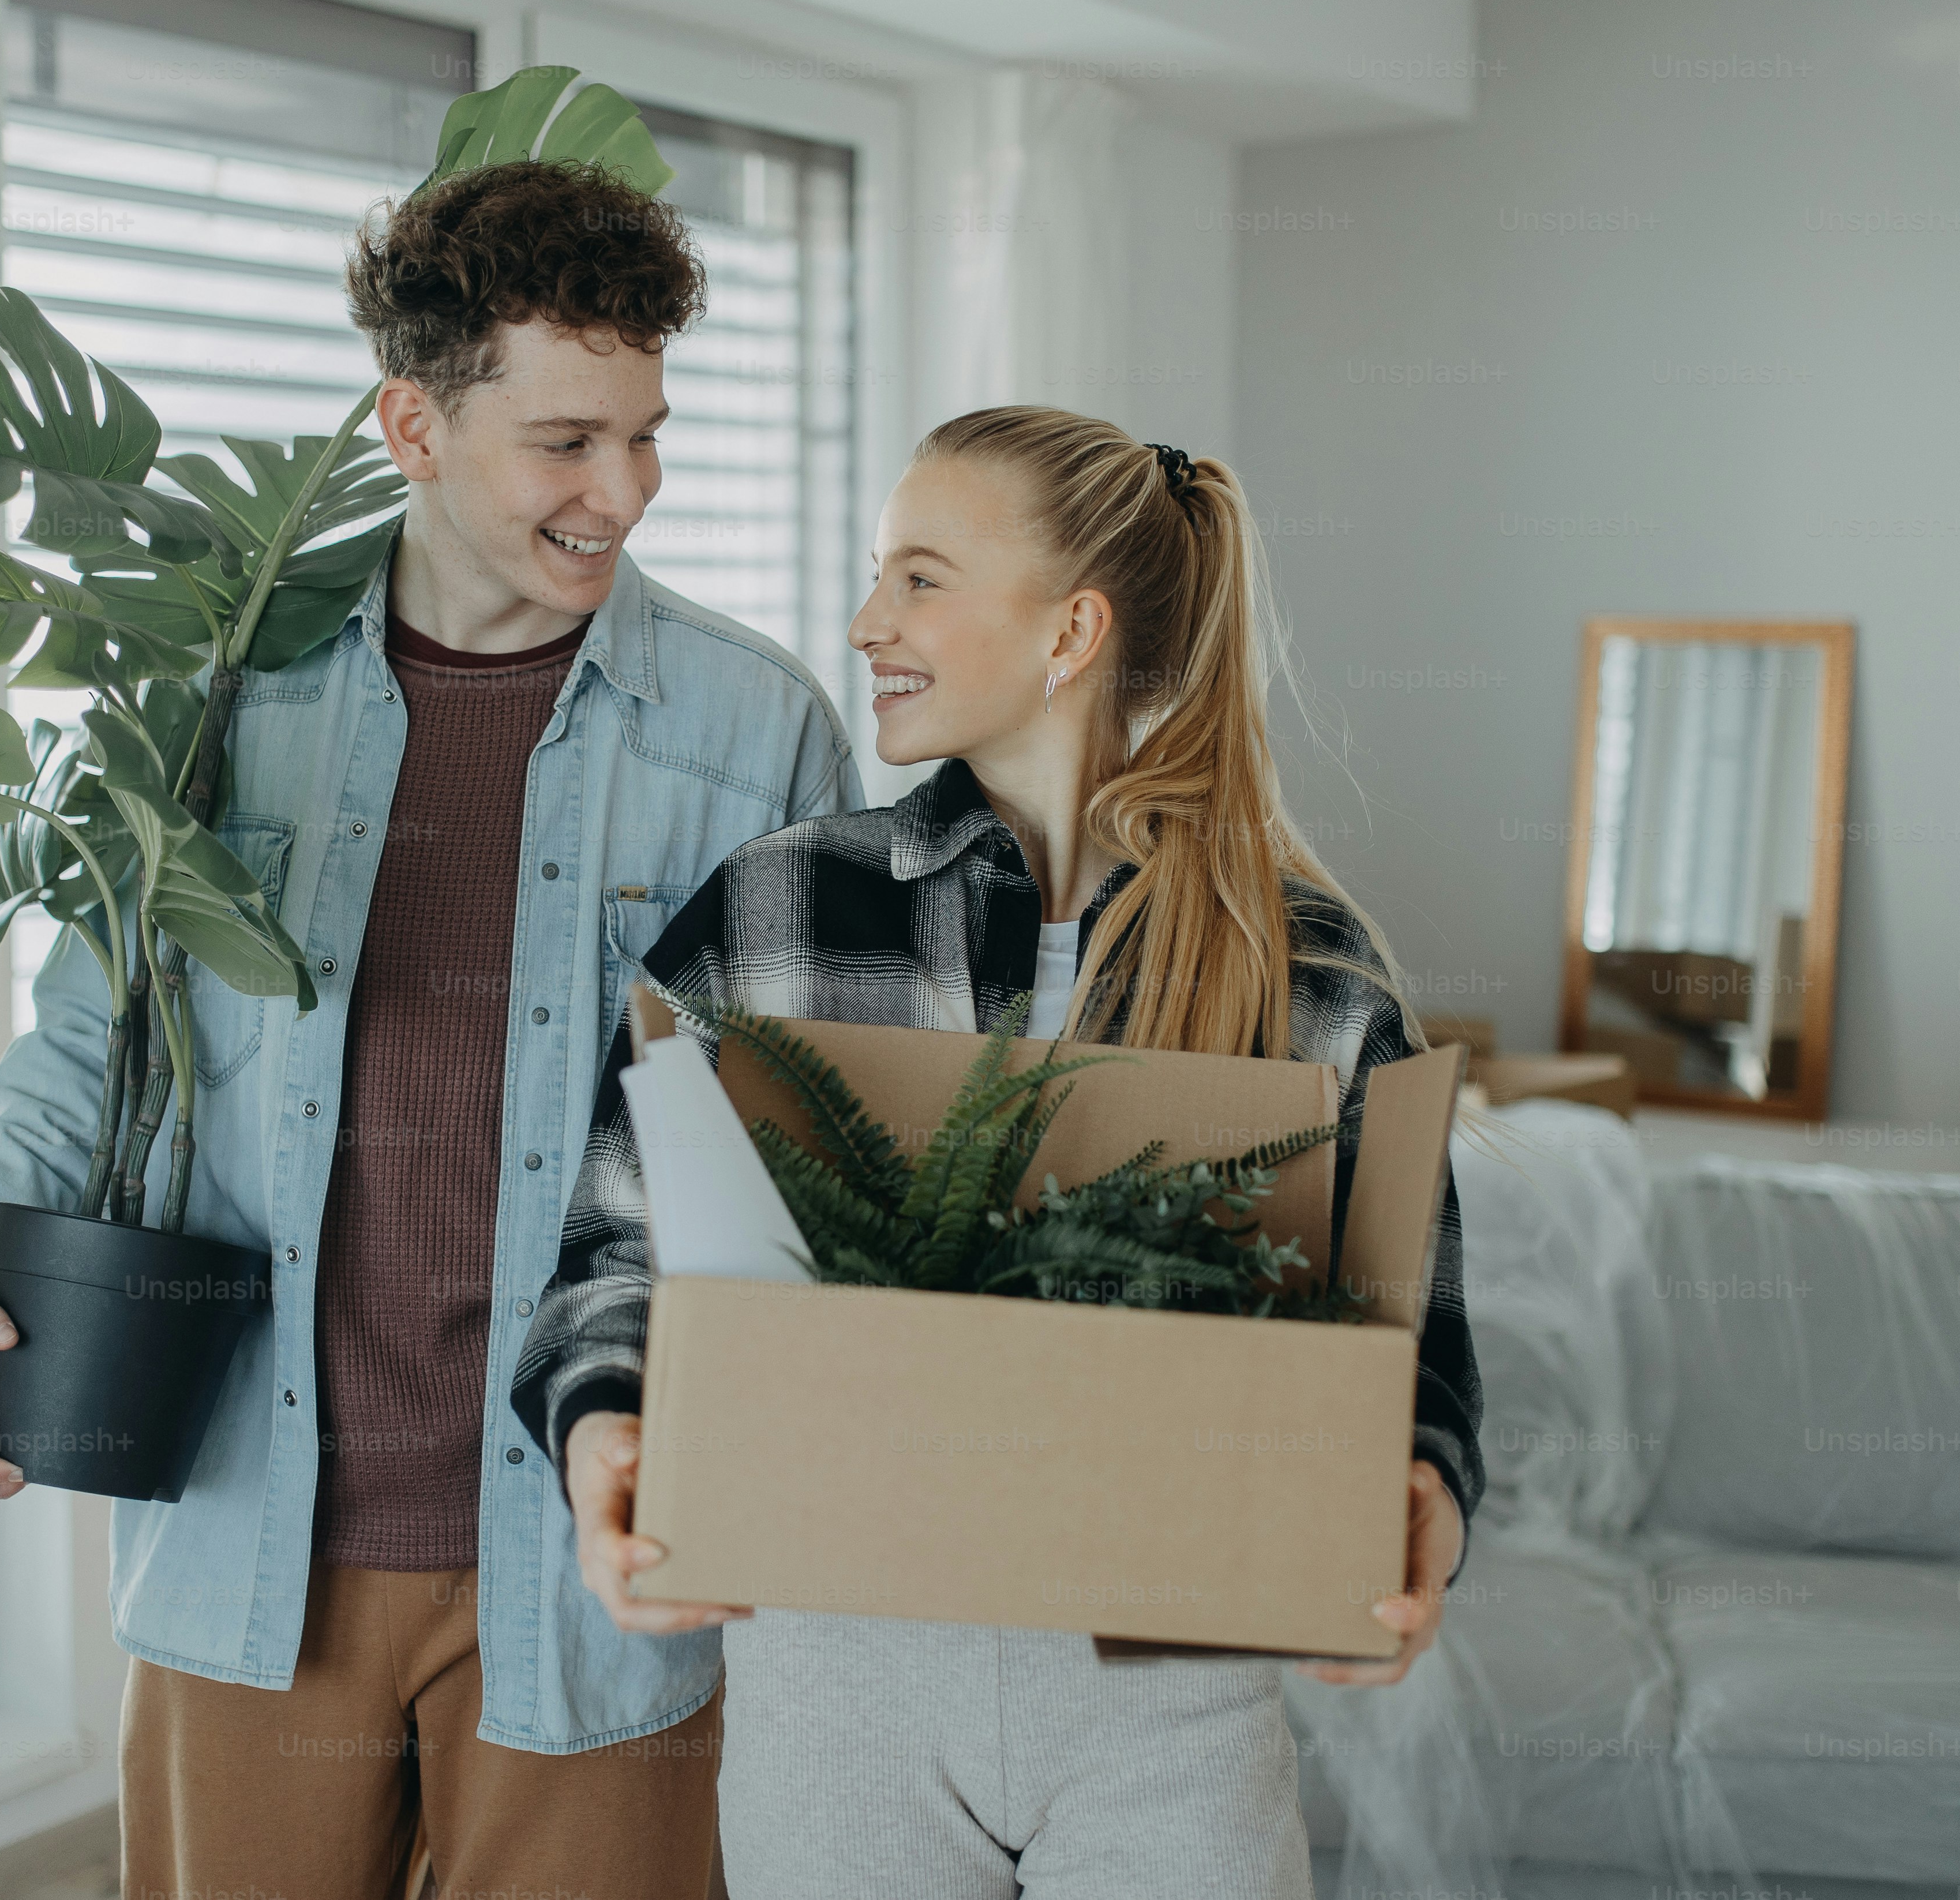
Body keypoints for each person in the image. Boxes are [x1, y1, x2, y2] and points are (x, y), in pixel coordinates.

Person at [0, 158, 865, 1900]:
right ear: (410, 425)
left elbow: (806, 1147)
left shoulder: (756, 734)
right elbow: (92, 1039)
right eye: (566, 441)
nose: (622, 490)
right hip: (246, 1533)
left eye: (645, 434)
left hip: (591, 1558)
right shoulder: (208, 700)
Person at [512, 405, 1485, 1898]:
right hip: (841, 1678)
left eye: (917, 577)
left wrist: (1422, 1482)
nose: (862, 622)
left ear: (1070, 628)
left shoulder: (1305, 962)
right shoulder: (774, 911)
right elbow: (613, 1254)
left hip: (1175, 1685)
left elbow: (1407, 1319)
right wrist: (601, 1437)